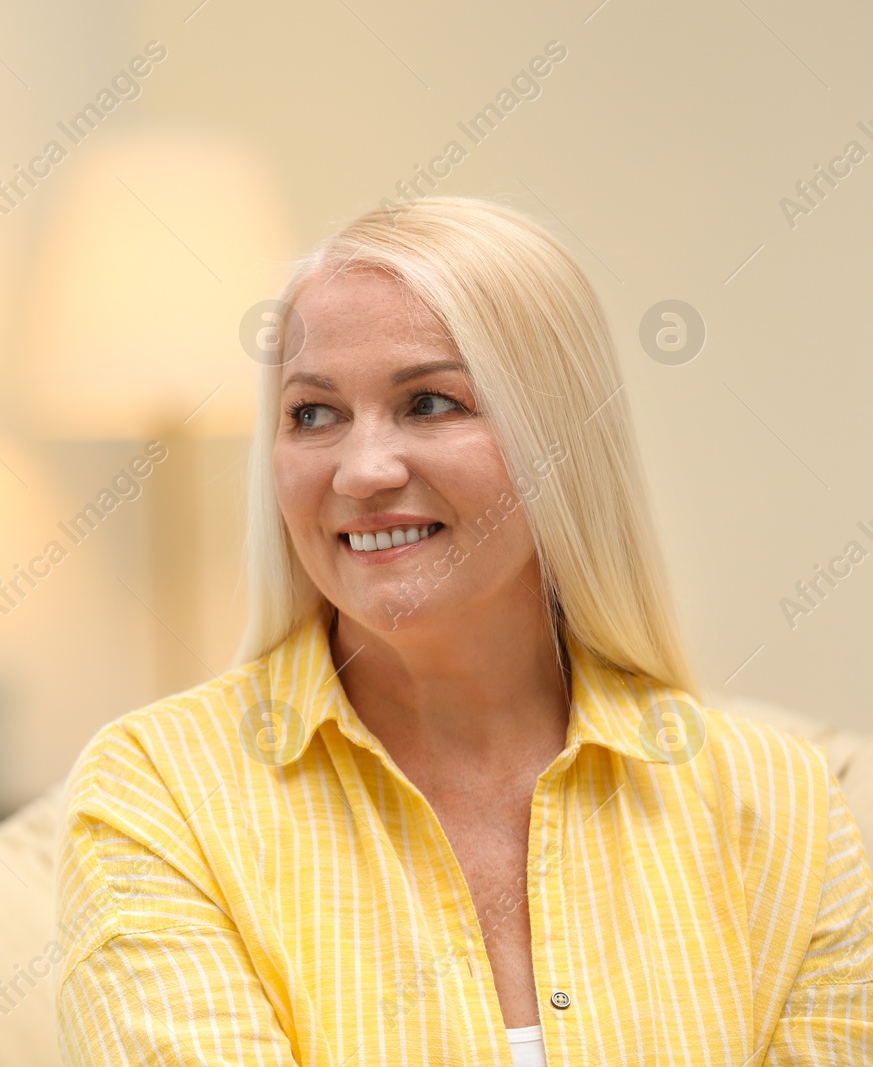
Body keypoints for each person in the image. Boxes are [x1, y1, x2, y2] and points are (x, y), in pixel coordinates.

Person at [52, 197, 873, 1065]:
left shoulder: (782, 804)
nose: (364, 470)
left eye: (432, 402)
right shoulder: (160, 792)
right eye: (314, 414)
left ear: (561, 441)